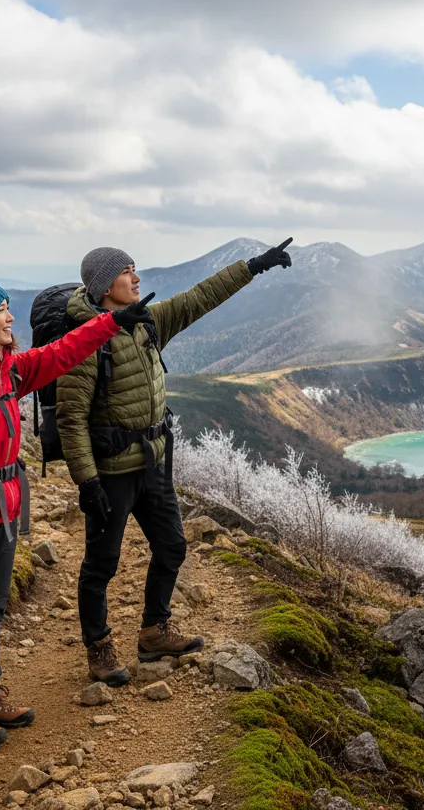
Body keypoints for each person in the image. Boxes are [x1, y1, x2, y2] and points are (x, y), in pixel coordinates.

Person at [0, 272, 153, 751]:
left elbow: (61, 353)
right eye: (1, 310)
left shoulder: (4, 369)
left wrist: (112, 322)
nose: (10, 317)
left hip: (2, 514)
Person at [57, 239, 293, 683]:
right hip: (111, 474)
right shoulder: (85, 342)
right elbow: (71, 419)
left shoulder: (148, 322)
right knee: (101, 564)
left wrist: (253, 267)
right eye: (128, 271)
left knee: (172, 545)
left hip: (153, 462)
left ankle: (154, 630)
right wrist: (87, 482)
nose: (137, 277)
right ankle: (99, 647)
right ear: (107, 284)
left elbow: (200, 297)